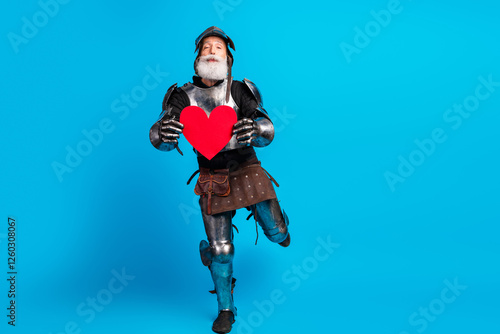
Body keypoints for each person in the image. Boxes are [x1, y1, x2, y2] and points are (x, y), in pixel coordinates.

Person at [149, 26, 290, 334]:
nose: (212, 50)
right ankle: (226, 308)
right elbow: (162, 133)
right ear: (198, 56)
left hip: (247, 168)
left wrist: (255, 129)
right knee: (222, 250)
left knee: (278, 233)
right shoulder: (180, 96)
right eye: (207, 47)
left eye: (219, 48)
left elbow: (266, 125)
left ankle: (279, 222)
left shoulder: (240, 90)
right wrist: (165, 134)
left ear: (228, 57)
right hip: (213, 175)